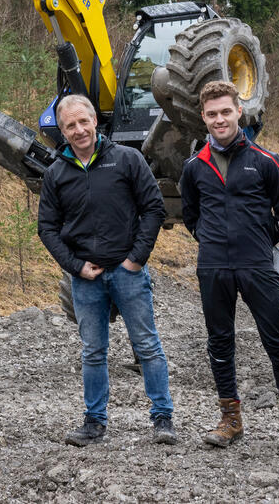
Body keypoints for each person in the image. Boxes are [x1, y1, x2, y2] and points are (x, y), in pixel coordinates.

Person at [37, 94, 176, 447]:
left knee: (147, 345)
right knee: (93, 352)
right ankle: (94, 422)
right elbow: (47, 228)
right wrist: (74, 266)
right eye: (70, 125)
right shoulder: (56, 174)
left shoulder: (127, 160)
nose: (79, 129)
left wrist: (136, 259)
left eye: (83, 121)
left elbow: (153, 208)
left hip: (127, 273)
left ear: (94, 120)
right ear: (62, 131)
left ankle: (163, 418)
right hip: (86, 279)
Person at [179, 80, 279, 454]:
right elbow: (191, 217)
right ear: (203, 118)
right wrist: (213, 239)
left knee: (277, 342)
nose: (219, 119)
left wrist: (256, 239)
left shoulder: (265, 162)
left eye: (225, 111)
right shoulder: (193, 167)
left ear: (239, 111)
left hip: (256, 265)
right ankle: (230, 420)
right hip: (213, 268)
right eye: (211, 114)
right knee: (219, 343)